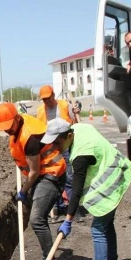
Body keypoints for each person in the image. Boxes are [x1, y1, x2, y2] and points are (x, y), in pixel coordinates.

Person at [41, 119, 131, 260]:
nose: (55, 146)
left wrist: (68, 220)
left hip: (112, 183)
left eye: (57, 142)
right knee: (106, 226)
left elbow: (75, 191)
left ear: (68, 136)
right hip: (117, 174)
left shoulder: (80, 155)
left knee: (98, 229)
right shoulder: (78, 128)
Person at [0, 102, 67, 260]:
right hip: (41, 175)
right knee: (38, 218)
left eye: (9, 127)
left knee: (36, 219)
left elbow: (34, 172)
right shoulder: (18, 128)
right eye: (4, 129)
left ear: (17, 118)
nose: (7, 131)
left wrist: (23, 191)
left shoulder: (31, 137)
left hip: (51, 174)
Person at [36, 85, 77, 222]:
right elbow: (39, 129)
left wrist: (76, 112)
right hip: (52, 148)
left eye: (48, 98)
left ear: (53, 95)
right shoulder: (41, 110)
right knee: (55, 175)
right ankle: (58, 206)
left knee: (69, 176)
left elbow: (75, 122)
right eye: (44, 99)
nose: (46, 101)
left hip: (66, 144)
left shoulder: (64, 105)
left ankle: (70, 208)